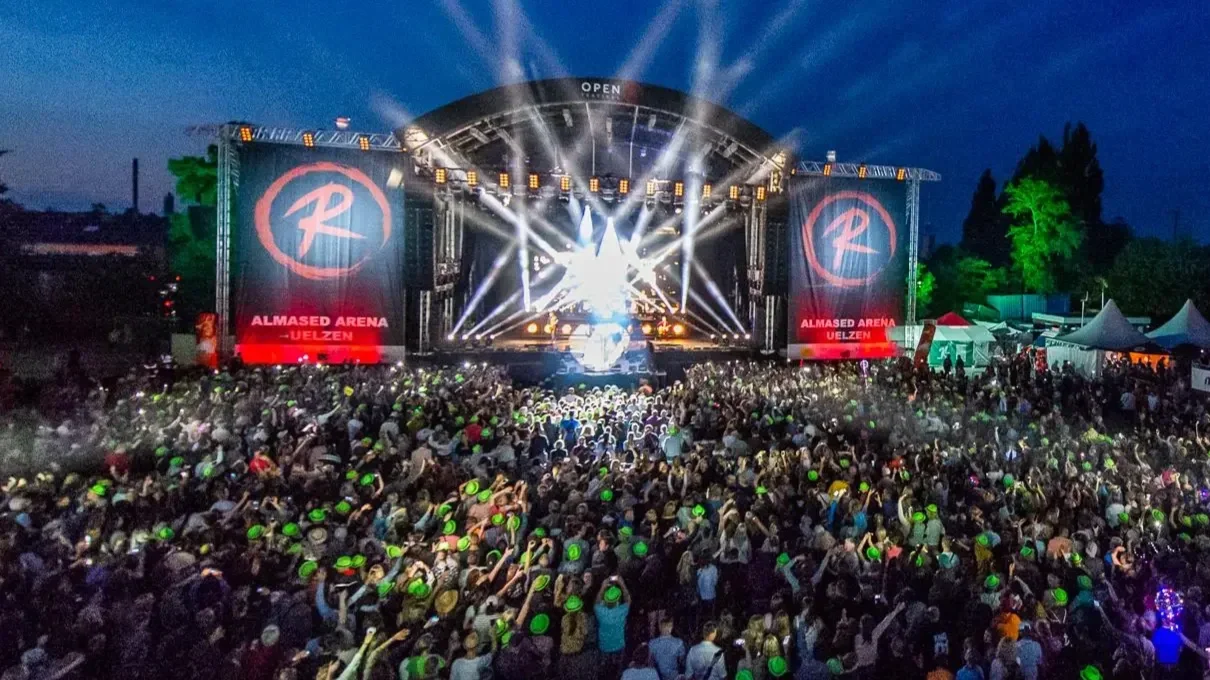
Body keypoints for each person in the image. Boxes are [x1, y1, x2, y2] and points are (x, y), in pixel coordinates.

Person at [595, 575, 632, 679]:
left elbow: (597, 602)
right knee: (618, 672)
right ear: (618, 600)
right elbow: (628, 600)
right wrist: (622, 584)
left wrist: (603, 587)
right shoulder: (622, 610)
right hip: (619, 646)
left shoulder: (600, 611)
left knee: (604, 672)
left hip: (604, 646)